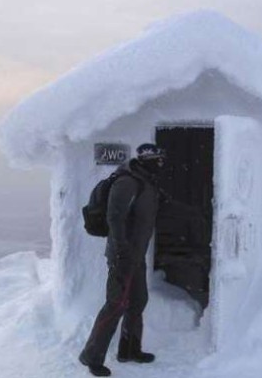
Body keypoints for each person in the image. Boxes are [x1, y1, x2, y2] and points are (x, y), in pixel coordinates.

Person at [79, 143, 166, 377]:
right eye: (158, 159)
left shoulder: (147, 181)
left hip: (135, 255)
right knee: (115, 305)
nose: (161, 163)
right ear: (148, 159)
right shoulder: (128, 181)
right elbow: (114, 217)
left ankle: (129, 350)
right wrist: (121, 250)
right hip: (123, 256)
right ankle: (91, 356)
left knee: (138, 301)